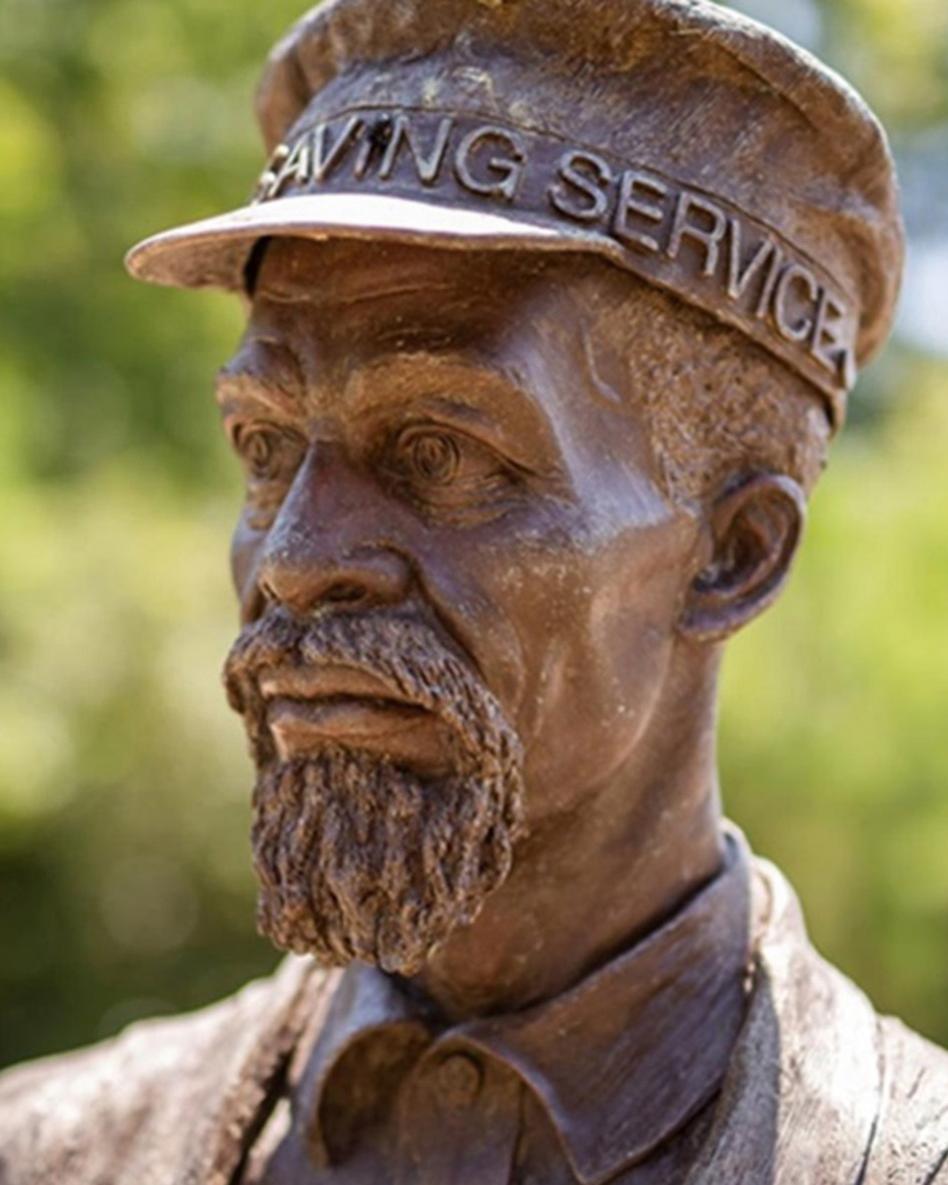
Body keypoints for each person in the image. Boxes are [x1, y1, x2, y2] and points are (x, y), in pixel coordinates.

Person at [1, 1, 946, 1182]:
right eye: (264, 448)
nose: (295, 560)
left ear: (734, 554)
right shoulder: (48, 1152)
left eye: (439, 453)